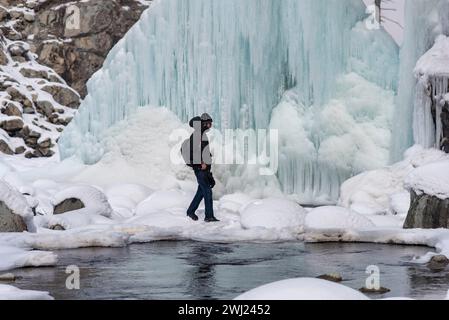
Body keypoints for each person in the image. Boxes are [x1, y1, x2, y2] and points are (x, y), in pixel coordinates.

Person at [182, 113, 220, 222]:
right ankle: (209, 216)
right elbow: (194, 152)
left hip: (204, 168)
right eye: (210, 123)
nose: (211, 125)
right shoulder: (197, 134)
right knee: (207, 192)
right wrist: (200, 163)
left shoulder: (201, 134)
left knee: (201, 191)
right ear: (205, 123)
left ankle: (190, 211)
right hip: (200, 169)